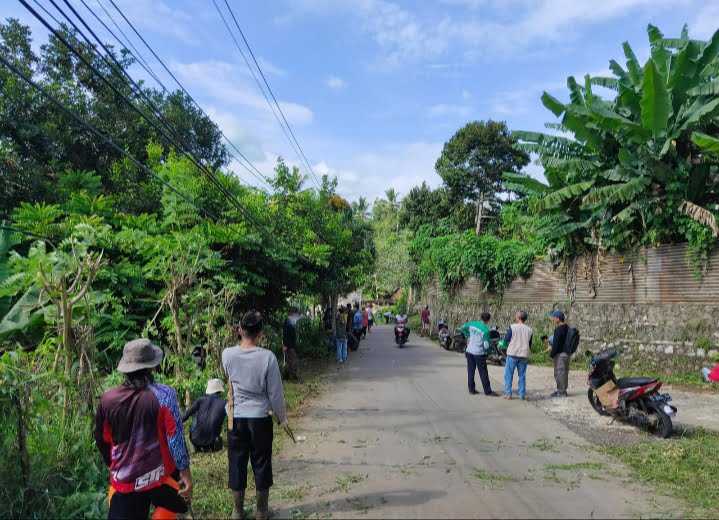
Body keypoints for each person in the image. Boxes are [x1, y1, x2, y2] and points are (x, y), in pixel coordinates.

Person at [94, 338, 191, 520]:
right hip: (160, 479)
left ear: (125, 369)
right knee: (181, 502)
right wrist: (185, 473)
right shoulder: (165, 395)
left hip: (124, 481)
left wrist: (114, 465)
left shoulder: (107, 400)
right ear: (152, 367)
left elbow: (102, 439)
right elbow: (175, 440)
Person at [223, 310, 288, 520]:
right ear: (260, 333)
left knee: (237, 462)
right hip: (260, 419)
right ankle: (261, 511)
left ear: (240, 330)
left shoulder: (227, 354)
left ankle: (237, 511)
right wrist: (282, 417)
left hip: (236, 418)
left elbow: (229, 377)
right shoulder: (267, 357)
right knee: (261, 462)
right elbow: (275, 393)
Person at [183, 378, 227, 452]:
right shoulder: (224, 403)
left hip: (195, 440)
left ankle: (198, 443)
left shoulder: (200, 400)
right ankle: (210, 443)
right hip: (213, 442)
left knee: (195, 414)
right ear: (220, 390)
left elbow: (186, 415)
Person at [460, 312, 498, 396]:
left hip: (469, 351)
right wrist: (488, 352)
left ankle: (471, 389)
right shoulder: (486, 330)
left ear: (480, 317)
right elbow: (486, 345)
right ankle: (488, 391)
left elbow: (462, 328)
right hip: (479, 353)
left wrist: (468, 335)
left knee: (470, 370)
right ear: (488, 320)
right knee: (483, 372)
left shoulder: (472, 323)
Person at [502, 311, 533, 400]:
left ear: (518, 317)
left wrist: (504, 345)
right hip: (524, 355)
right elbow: (529, 344)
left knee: (508, 374)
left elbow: (506, 339)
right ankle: (521, 394)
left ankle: (508, 394)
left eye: (516, 315)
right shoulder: (529, 330)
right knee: (522, 375)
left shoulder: (512, 327)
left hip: (512, 354)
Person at [548, 310, 570, 398]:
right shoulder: (567, 328)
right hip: (567, 354)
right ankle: (562, 390)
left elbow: (556, 345)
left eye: (553, 318)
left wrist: (551, 354)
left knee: (559, 373)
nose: (552, 319)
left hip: (560, 355)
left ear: (558, 318)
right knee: (564, 373)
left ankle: (561, 392)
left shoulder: (558, 329)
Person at [282, 307, 302, 382]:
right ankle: (293, 377)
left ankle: (292, 376)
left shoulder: (291, 321)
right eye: (296, 313)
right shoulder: (288, 322)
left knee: (291, 361)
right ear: (292, 314)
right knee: (292, 361)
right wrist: (285, 345)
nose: (297, 315)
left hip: (291, 345)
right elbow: (285, 334)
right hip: (289, 346)